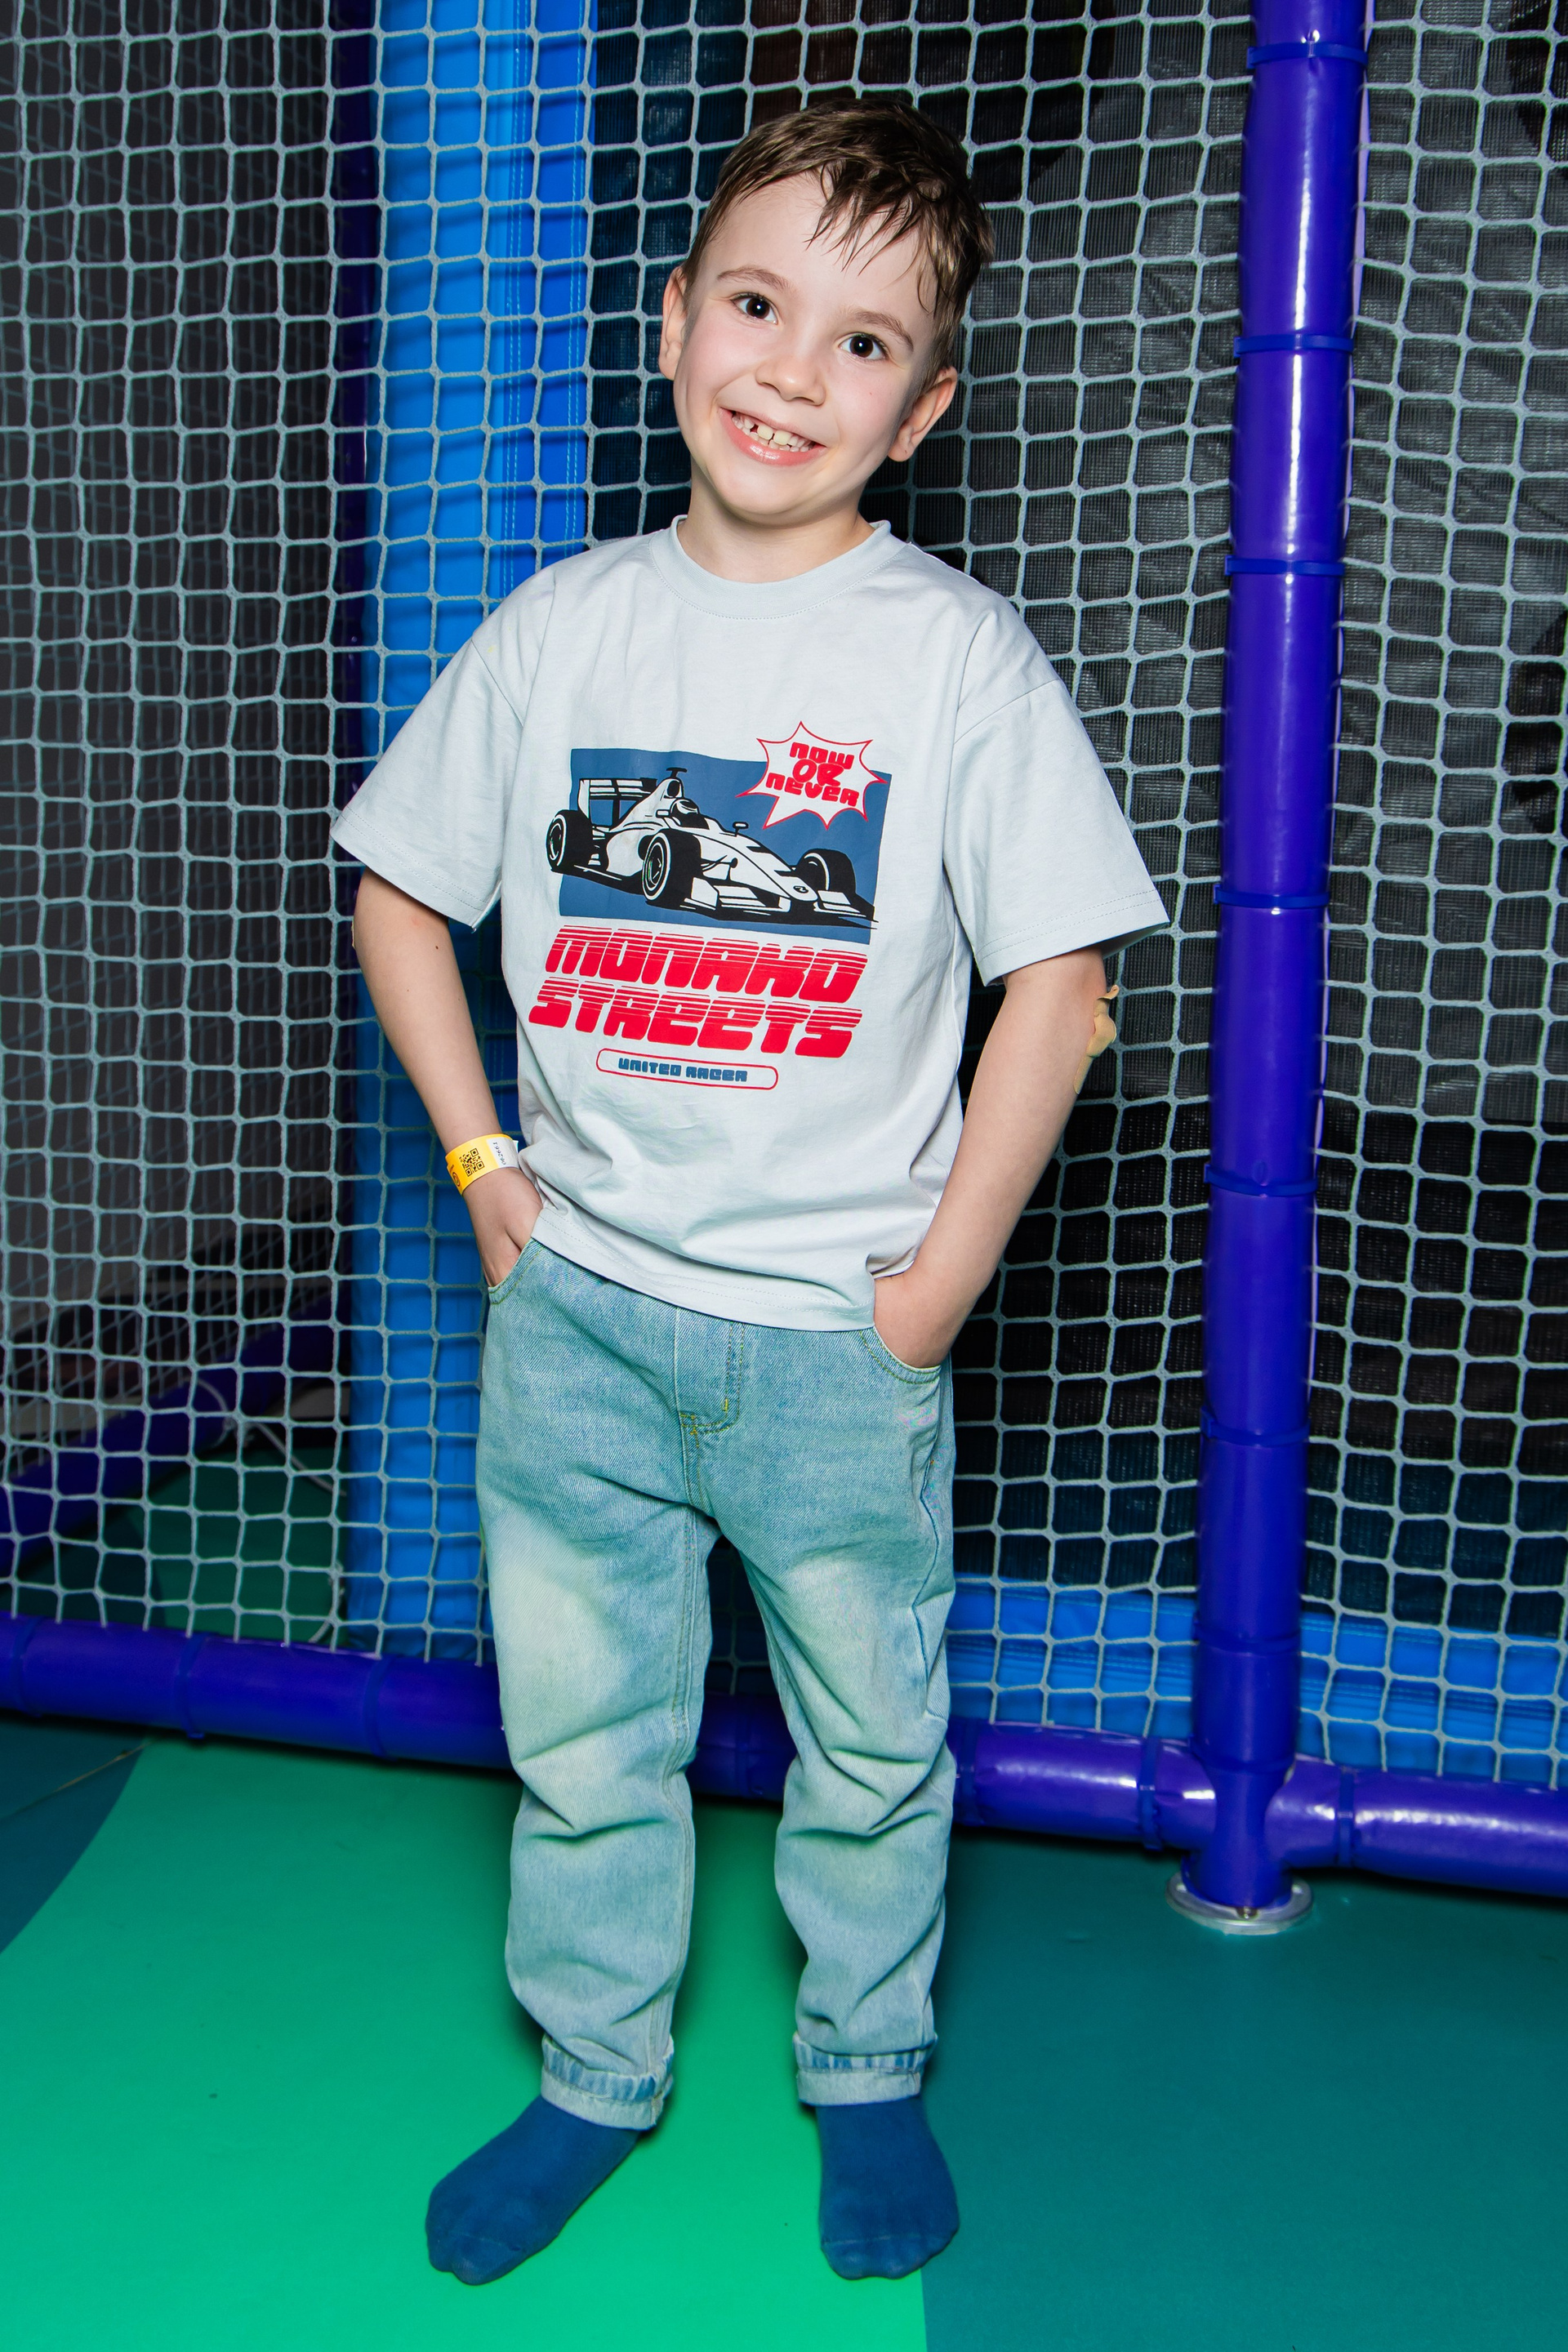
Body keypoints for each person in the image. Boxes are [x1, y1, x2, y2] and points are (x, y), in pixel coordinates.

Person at [334, 97, 1167, 2288]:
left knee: (871, 1739)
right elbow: (401, 894)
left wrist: (938, 1283)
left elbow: (1065, 983)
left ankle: (865, 2062)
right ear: (674, 317)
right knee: (582, 1736)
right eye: (760, 304)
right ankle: (594, 2068)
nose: (794, 370)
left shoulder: (953, 657)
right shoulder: (563, 628)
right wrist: (486, 1165)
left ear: (924, 409)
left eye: (863, 343)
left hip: (829, 1345)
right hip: (578, 1318)